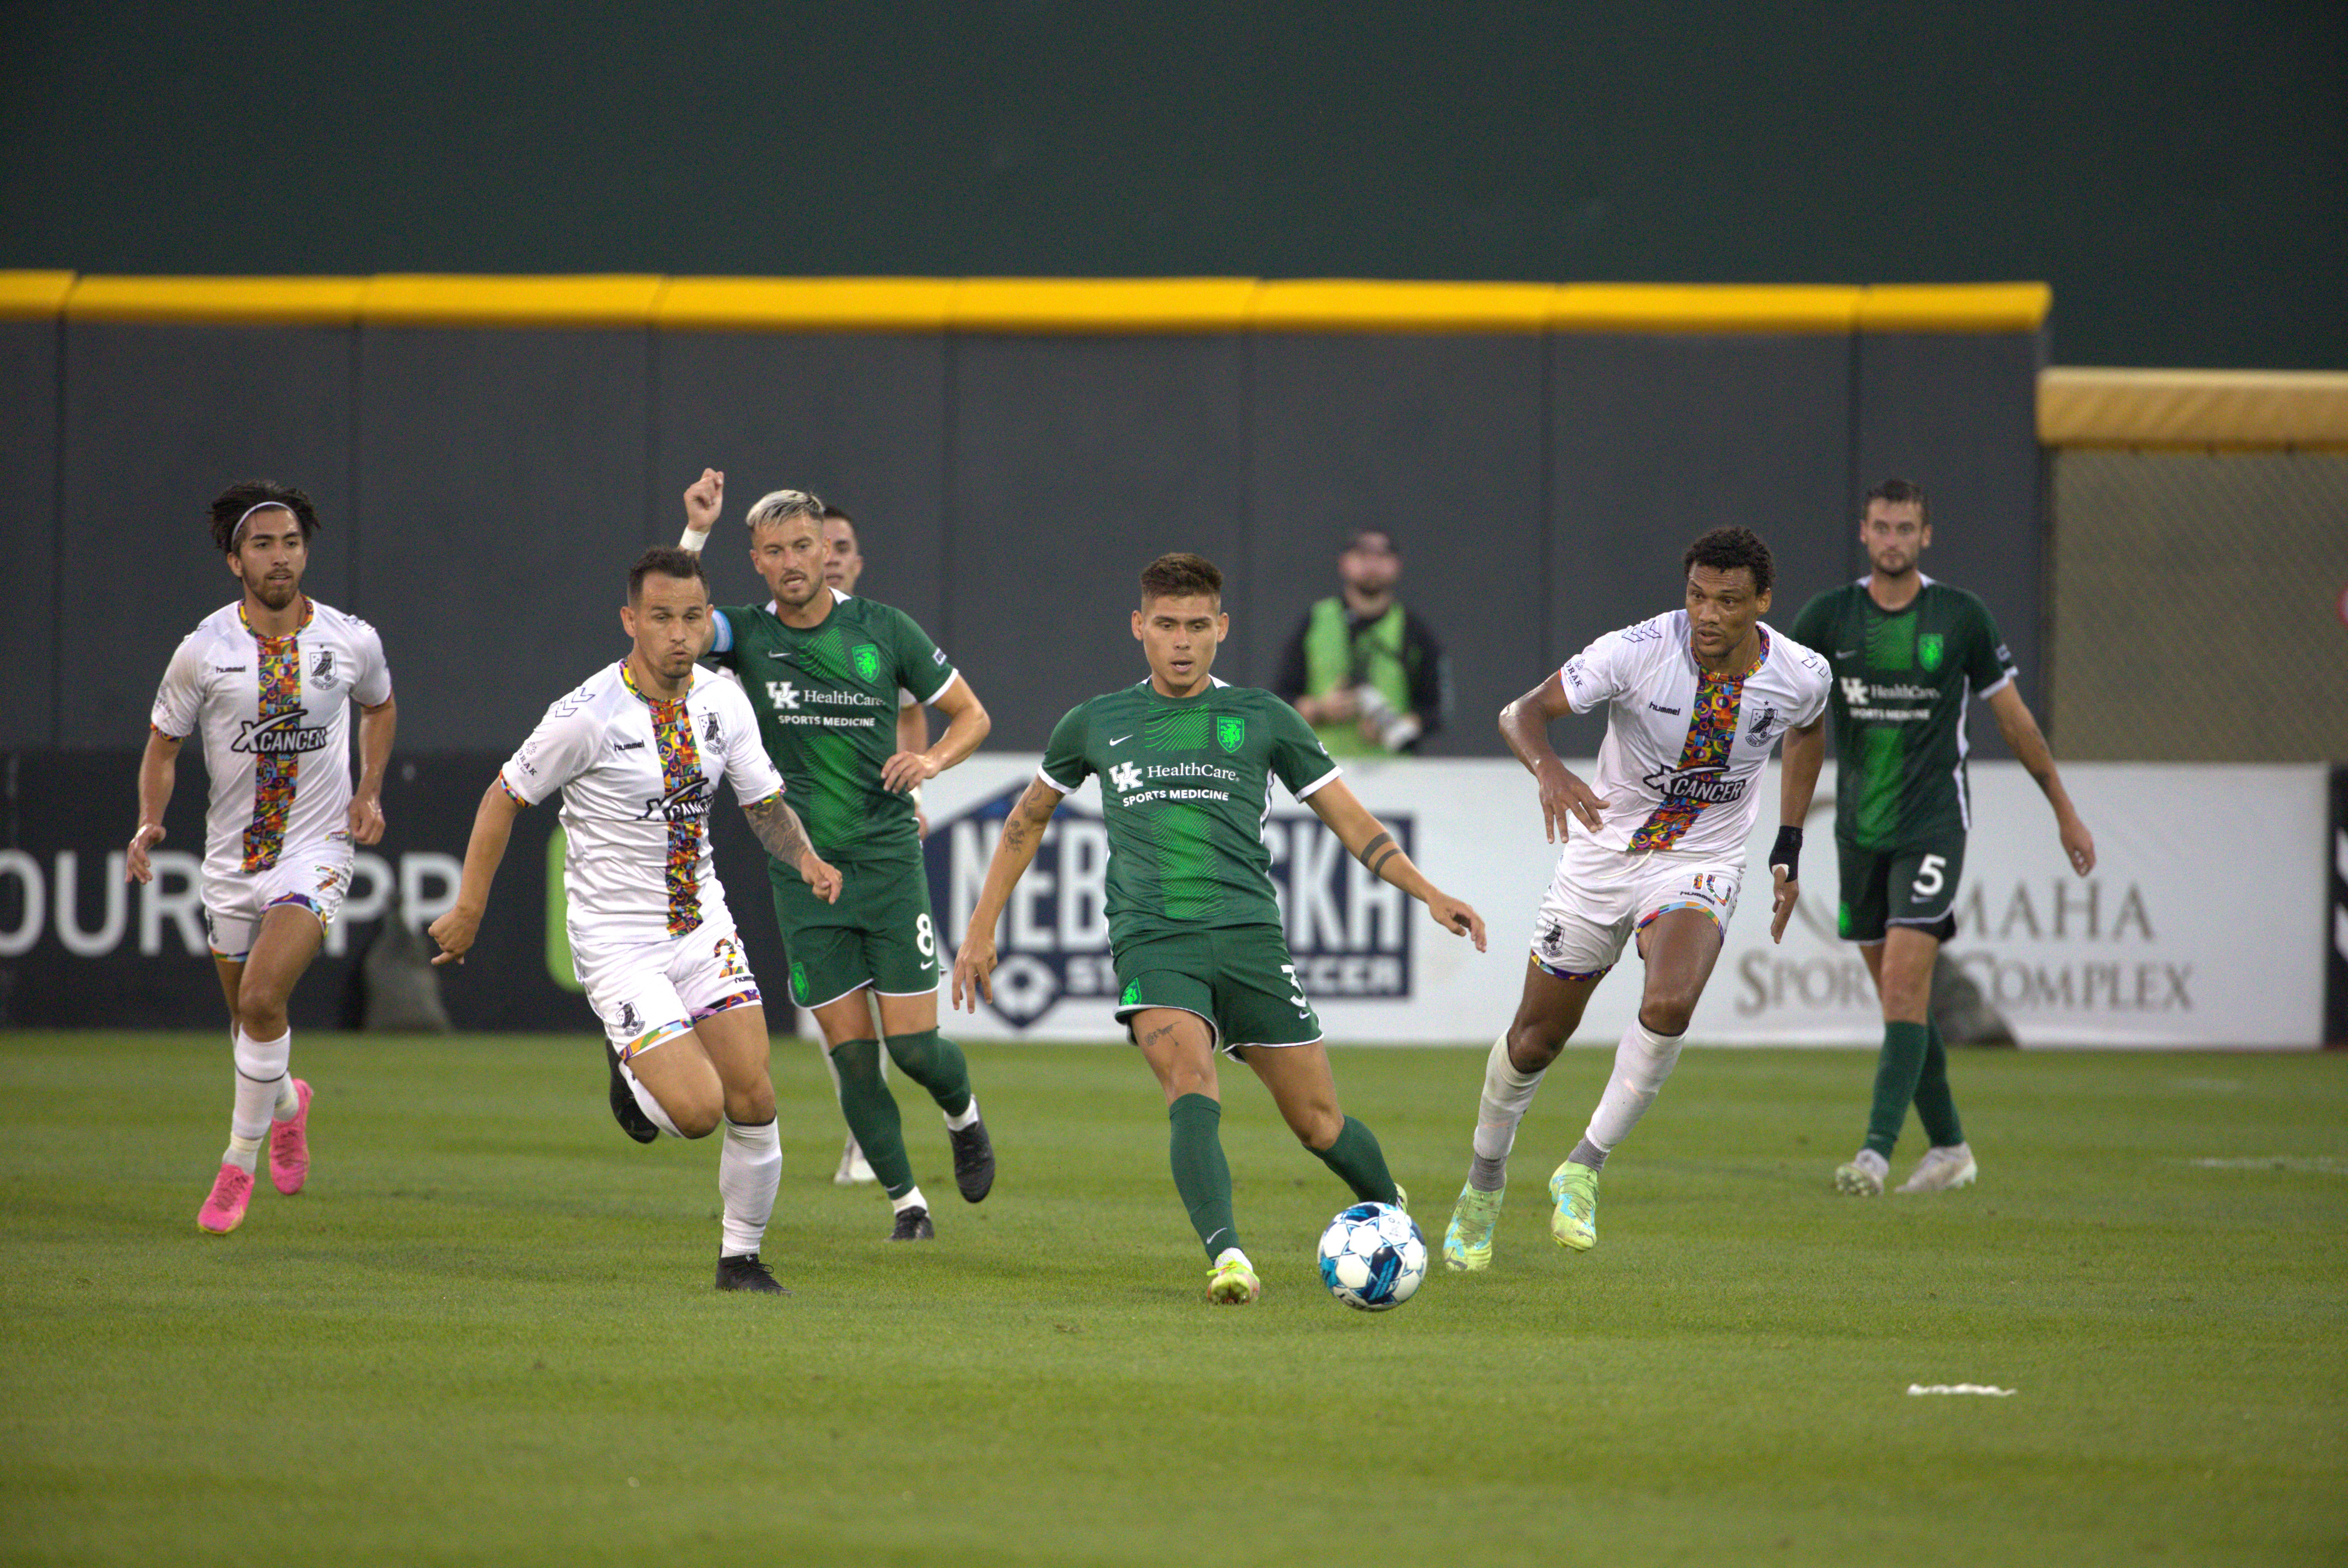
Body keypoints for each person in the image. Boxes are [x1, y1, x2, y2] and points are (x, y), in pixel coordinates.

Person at [951, 552, 1488, 1305]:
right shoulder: (1095, 722)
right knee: (1190, 1080)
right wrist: (981, 927)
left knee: (1319, 1123)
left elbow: (1351, 822)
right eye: (1166, 625)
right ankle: (1229, 1257)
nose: (1181, 642)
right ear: (1139, 628)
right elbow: (1026, 818)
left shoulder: (1263, 718)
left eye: (1197, 627)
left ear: (1221, 630)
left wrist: (1427, 892)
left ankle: (1396, 1226)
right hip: (1152, 939)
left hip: (1248, 940)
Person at [426, 548, 839, 1293]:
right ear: (630, 621)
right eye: (661, 618)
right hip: (618, 942)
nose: (679, 634)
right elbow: (503, 798)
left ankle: (739, 1259)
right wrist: (469, 908)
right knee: (696, 1113)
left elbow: (764, 805)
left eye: (692, 618)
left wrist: (806, 859)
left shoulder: (722, 700)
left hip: (700, 923)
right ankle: (628, 1059)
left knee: (756, 1095)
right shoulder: (587, 716)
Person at [1439, 526, 1830, 1271]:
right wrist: (1549, 770)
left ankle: (1584, 1165)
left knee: (1669, 1005)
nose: (1707, 615)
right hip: (1601, 854)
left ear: (1763, 603)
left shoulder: (1801, 674)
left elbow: (1808, 730)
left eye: (1727, 601)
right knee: (1533, 1043)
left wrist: (1788, 841)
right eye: (1696, 597)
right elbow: (1520, 714)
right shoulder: (1635, 650)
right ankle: (1483, 1185)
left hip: (1699, 858)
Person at [679, 472, 995, 1242]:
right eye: (774, 549)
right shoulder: (746, 633)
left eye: (804, 546)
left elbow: (971, 715)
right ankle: (906, 1205)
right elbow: (671, 628)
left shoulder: (886, 630)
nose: (792, 561)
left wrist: (930, 764)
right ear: (755, 559)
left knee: (916, 1047)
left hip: (888, 864)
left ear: (830, 553)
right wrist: (695, 534)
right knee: (852, 1058)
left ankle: (964, 1115)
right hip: (802, 875)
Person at [1791, 479, 2096, 1197]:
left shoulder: (1960, 617)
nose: (1893, 539)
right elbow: (1799, 733)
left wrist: (2064, 808)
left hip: (1933, 824)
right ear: (1862, 533)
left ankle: (1873, 1154)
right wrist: (1787, 836)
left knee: (1902, 984)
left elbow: (2014, 720)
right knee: (1903, 1001)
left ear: (1926, 536)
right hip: (1859, 831)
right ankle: (1952, 1147)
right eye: (1881, 527)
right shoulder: (1826, 620)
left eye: (1906, 528)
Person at [130, 481, 397, 1236]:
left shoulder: (350, 639)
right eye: (262, 545)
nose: (279, 557)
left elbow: (379, 705)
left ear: (306, 551)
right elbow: (163, 744)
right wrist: (150, 822)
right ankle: (287, 1101)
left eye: (290, 542)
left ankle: (236, 1162)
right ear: (234, 561)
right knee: (251, 1023)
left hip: (314, 852)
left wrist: (369, 791)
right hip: (230, 863)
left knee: (258, 1002)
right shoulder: (203, 651)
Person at [1272, 527, 1447, 755]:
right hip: (1323, 771)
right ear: (1344, 563)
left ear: (1397, 565)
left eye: (1382, 556)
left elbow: (1437, 711)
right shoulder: (1314, 622)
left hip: (1397, 777)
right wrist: (1320, 710)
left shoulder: (1415, 631)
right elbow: (1281, 701)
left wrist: (1394, 726)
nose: (1372, 564)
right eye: (1363, 555)